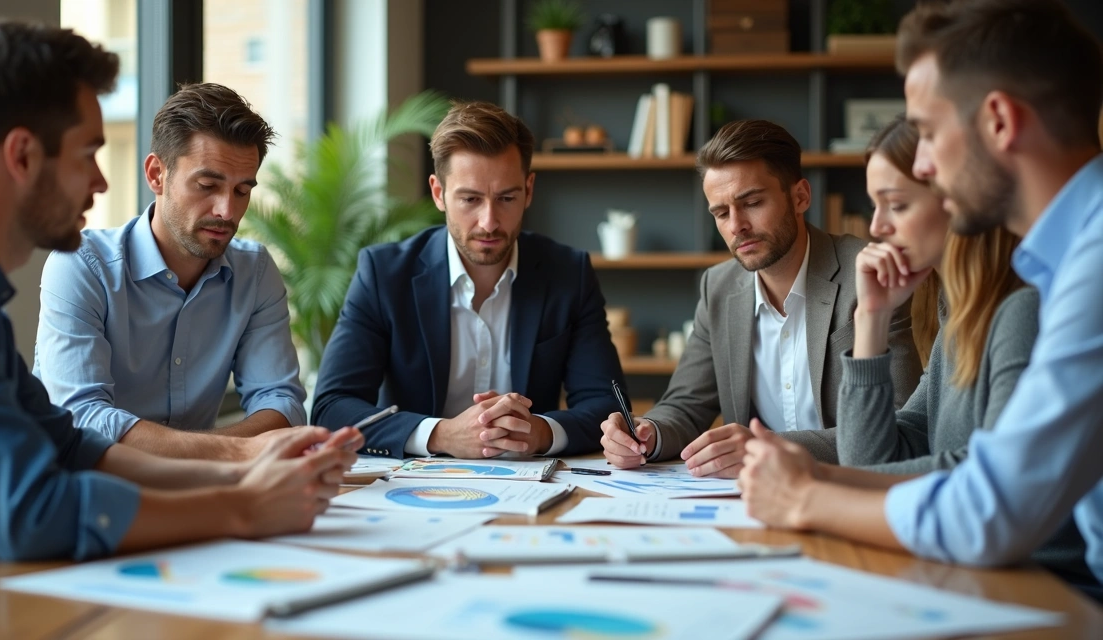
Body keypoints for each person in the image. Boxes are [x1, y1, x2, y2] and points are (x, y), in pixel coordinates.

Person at [0, 20, 358, 607]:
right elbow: (29, 512)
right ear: (23, 156)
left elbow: (72, 446)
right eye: (88, 152)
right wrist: (241, 505)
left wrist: (242, 474)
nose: (101, 180)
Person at [739, 0, 1103, 594]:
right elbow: (931, 465)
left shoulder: (1080, 273)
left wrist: (808, 497)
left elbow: (992, 506)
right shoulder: (1059, 264)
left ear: (1000, 123)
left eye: (929, 133)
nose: (926, 163)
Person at [599, 119, 921, 476]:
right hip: (753, 501)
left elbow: (899, 423)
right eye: (721, 213)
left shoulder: (868, 276)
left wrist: (769, 448)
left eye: (751, 202)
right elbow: (687, 404)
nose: (736, 226)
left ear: (800, 196)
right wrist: (645, 434)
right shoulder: (718, 288)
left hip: (846, 487)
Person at [311, 101, 624, 459]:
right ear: (438, 193)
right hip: (411, 489)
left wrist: (539, 431)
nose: (489, 221)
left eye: (506, 198)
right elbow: (332, 408)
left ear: (529, 190)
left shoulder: (569, 273)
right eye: (470, 199)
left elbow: (607, 405)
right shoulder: (383, 274)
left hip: (531, 487)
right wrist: (440, 435)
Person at [33, 83, 306, 461]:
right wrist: (233, 452)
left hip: (203, 489)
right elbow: (83, 419)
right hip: (88, 494)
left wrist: (214, 456)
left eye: (242, 191)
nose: (227, 211)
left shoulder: (255, 272)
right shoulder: (81, 264)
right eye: (207, 185)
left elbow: (282, 404)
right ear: (156, 174)